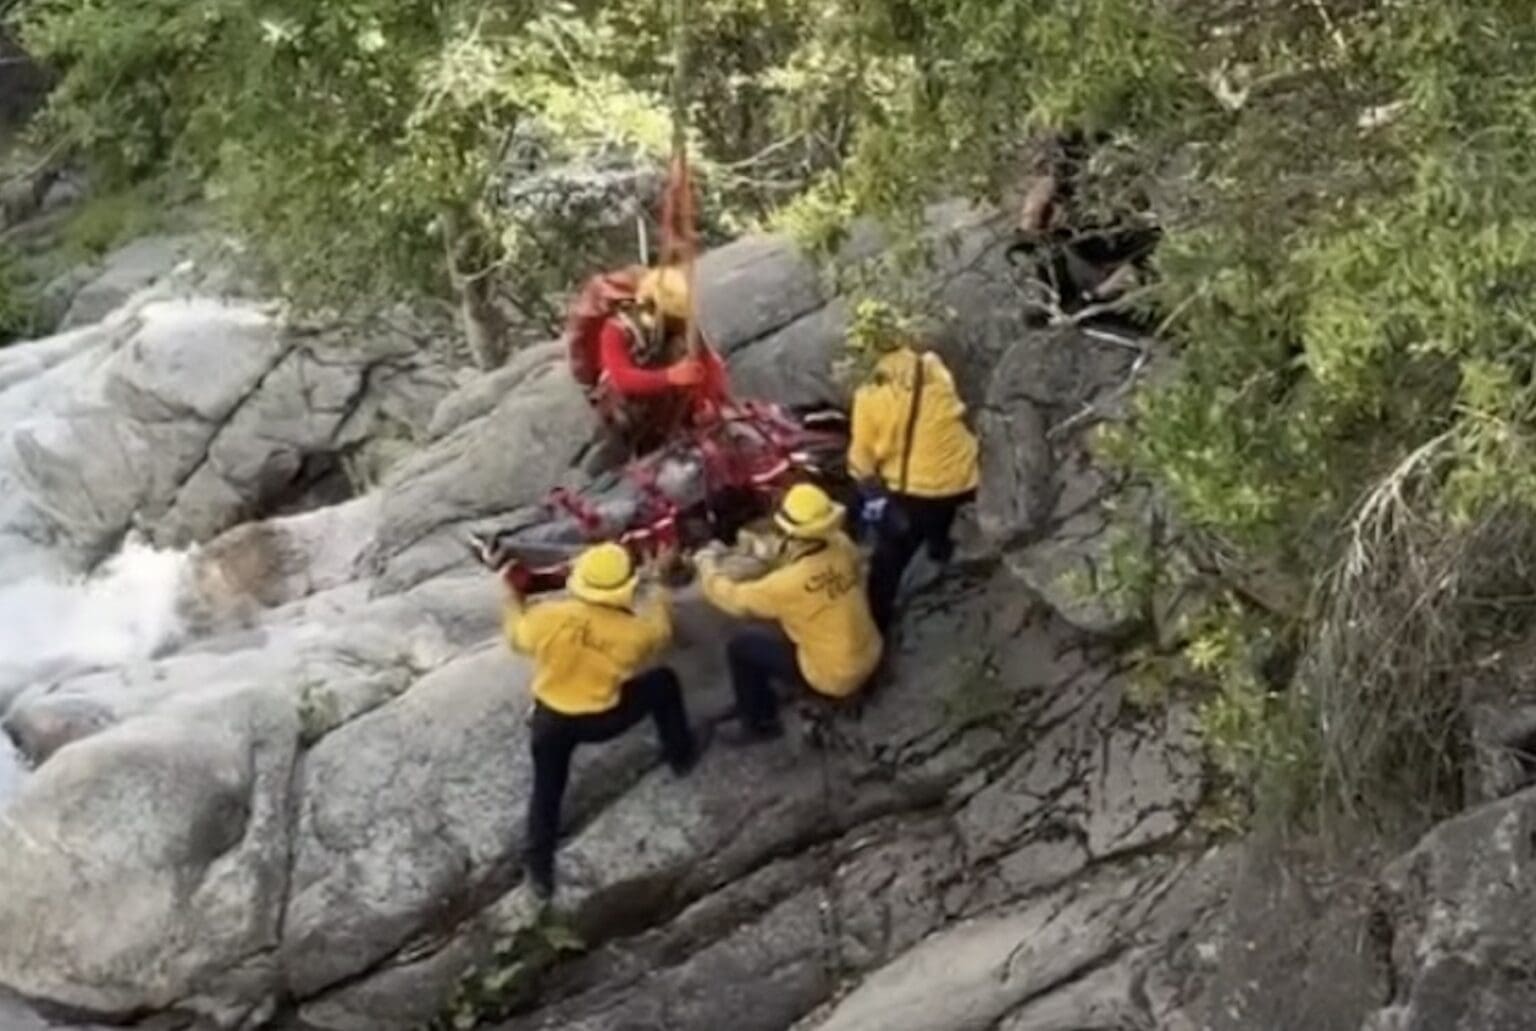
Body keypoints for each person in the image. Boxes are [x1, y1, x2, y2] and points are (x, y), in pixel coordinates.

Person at [500, 540, 698, 899]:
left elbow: (516, 635)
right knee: (663, 683)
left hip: (551, 719)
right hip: (602, 717)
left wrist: (512, 596)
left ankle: (539, 870)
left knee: (547, 790)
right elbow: (661, 630)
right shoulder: (634, 635)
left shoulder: (547, 619)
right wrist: (657, 586)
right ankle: (681, 755)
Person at [696, 483, 882, 743]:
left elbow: (732, 599)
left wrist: (706, 564)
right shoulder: (841, 545)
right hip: (871, 652)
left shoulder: (787, 585)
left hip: (832, 676)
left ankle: (760, 724)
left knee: (742, 646)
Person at [847, 329, 980, 633]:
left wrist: (867, 487)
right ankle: (940, 550)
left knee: (887, 562)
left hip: (921, 489)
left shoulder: (869, 395)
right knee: (940, 509)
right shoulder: (931, 365)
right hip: (966, 472)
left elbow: (862, 457)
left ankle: (875, 626)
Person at [587, 265, 731, 465]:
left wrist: (711, 401)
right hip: (630, 411)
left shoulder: (681, 325)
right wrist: (670, 376)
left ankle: (686, 426)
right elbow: (622, 379)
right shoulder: (615, 331)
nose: (676, 322)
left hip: (672, 404)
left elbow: (709, 362)